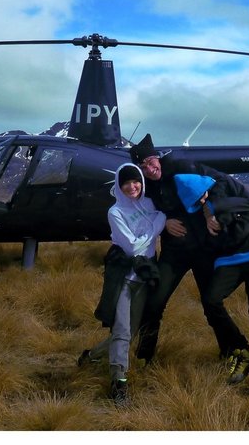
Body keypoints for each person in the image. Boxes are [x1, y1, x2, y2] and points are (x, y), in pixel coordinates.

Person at [128, 134, 249, 367]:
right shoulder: (146, 186)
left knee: (211, 303)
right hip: (174, 254)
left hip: (203, 249)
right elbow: (144, 212)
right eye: (142, 167)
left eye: (150, 162)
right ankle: (144, 358)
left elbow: (219, 183)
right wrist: (164, 222)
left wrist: (210, 213)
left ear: (157, 157)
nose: (149, 169)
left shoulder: (181, 166)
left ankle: (235, 350)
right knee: (154, 302)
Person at [174, 172, 249, 397]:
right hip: (229, 259)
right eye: (195, 200)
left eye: (200, 196)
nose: (200, 201)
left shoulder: (225, 192)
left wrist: (218, 214)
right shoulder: (199, 213)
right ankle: (241, 349)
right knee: (211, 300)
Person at [79, 162, 165, 407]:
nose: (132, 186)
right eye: (126, 182)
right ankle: (119, 384)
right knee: (123, 332)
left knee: (130, 333)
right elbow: (132, 246)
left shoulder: (149, 204)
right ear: (119, 184)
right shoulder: (115, 212)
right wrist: (155, 227)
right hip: (123, 277)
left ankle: (91, 356)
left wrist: (154, 226)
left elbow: (161, 219)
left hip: (144, 276)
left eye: (135, 181)